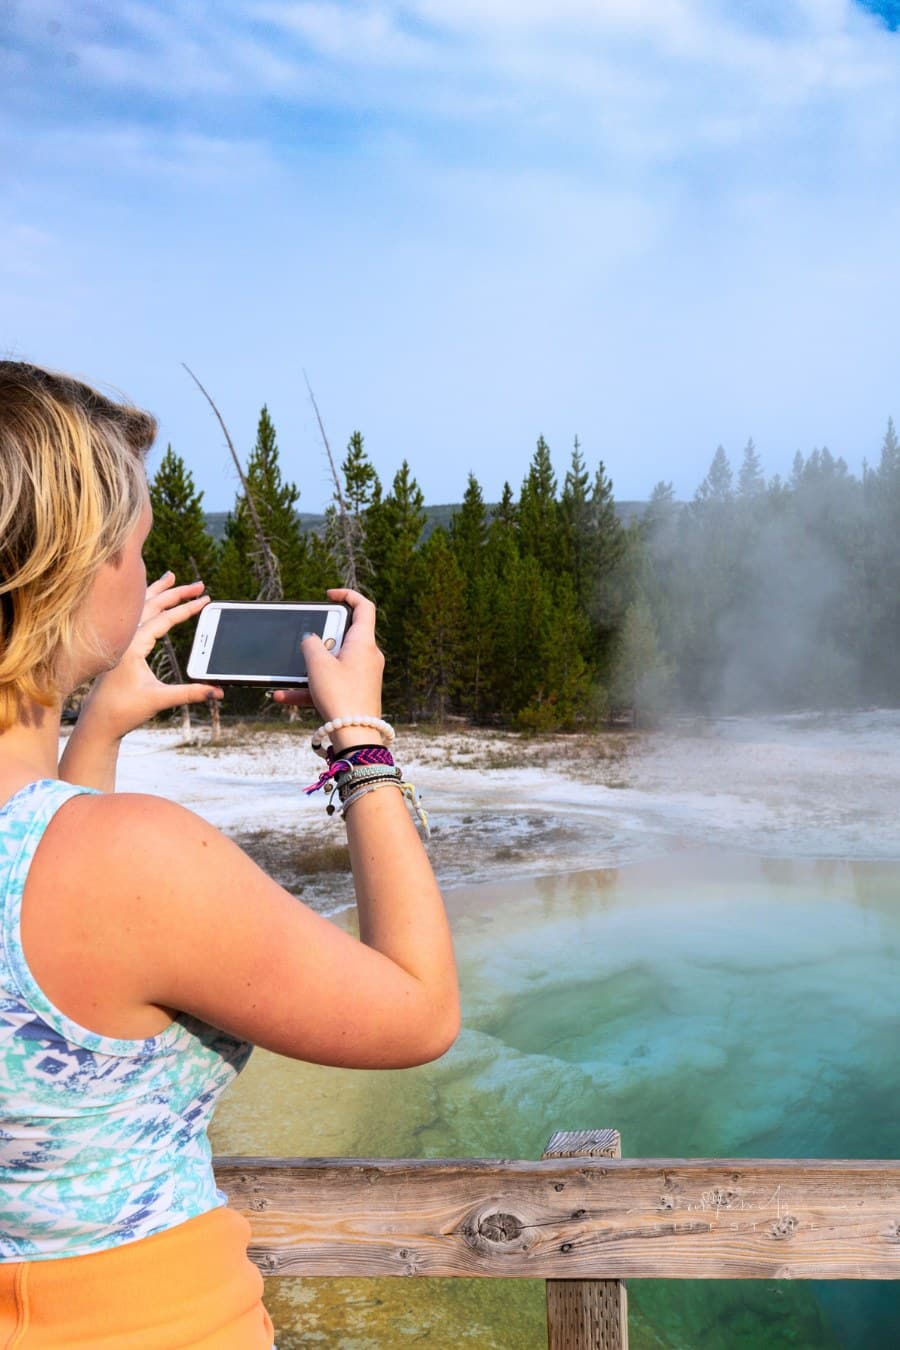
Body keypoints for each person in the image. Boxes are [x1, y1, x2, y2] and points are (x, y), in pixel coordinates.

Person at [0, 361, 460, 1348]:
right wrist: (364, 744)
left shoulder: (82, 853)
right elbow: (418, 1011)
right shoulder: (136, 862)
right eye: (135, 550)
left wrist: (97, 727)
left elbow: (40, 896)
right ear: (72, 575)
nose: (139, 571)